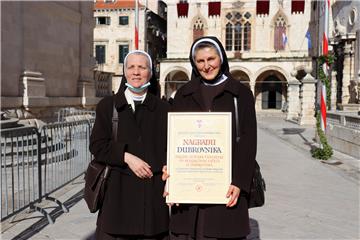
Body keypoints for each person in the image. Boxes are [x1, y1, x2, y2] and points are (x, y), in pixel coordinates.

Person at [165, 36, 257, 239]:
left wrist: (240, 182)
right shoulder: (184, 94)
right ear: (194, 63)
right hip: (189, 192)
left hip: (227, 186)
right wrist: (172, 178)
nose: (207, 66)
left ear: (221, 59)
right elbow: (174, 139)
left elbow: (249, 142)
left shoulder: (240, 94)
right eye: (201, 61)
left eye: (211, 59)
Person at [90, 50, 169, 240]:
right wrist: (127, 157)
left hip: (152, 201)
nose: (136, 72)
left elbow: (172, 149)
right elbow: (97, 146)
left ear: (150, 72)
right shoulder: (108, 106)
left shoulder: (164, 108)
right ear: (124, 72)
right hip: (117, 200)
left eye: (142, 67)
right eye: (131, 67)